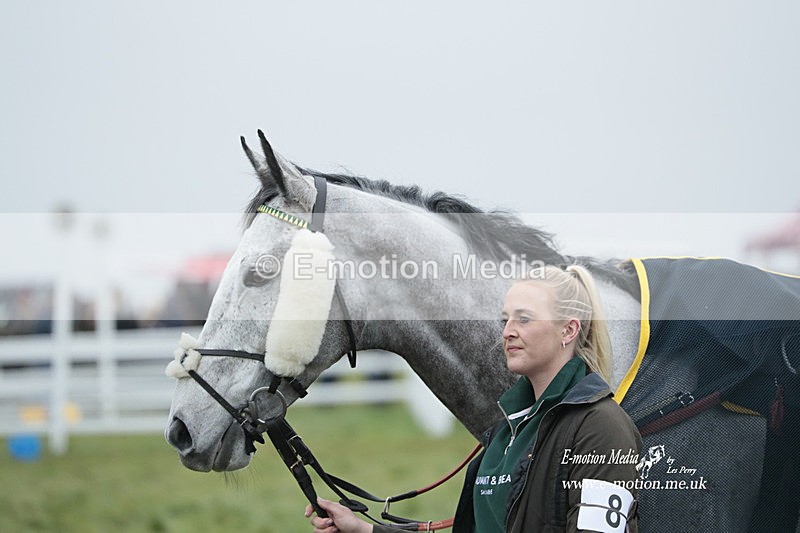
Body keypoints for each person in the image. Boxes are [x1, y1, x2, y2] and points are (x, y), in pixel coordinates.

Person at [307, 264, 643, 532]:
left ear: (568, 330)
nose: (508, 330)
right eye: (506, 319)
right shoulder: (502, 434)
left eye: (524, 318)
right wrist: (363, 530)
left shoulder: (602, 428)